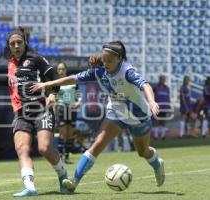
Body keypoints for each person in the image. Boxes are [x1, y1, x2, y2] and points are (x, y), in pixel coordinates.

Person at [31, 40, 165, 192]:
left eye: (110, 60)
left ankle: (157, 164)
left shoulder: (127, 71)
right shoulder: (98, 71)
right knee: (97, 145)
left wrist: (152, 101)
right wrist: (47, 84)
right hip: (116, 113)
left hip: (138, 116)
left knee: (143, 152)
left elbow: (145, 85)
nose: (106, 63)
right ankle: (73, 182)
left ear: (119, 58)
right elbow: (73, 78)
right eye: (104, 59)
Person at [0, 27, 70, 196]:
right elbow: (10, 82)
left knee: (44, 148)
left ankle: (63, 176)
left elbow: (54, 76)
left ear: (25, 43)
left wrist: (53, 94)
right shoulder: (11, 63)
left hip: (41, 109)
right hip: (21, 112)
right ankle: (30, 187)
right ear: (8, 46)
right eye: (12, 43)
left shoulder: (36, 59)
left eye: (19, 42)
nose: (16, 46)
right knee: (22, 149)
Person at [56, 62, 81, 164]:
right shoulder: (55, 82)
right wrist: (56, 103)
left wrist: (78, 102)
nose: (61, 71)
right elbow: (52, 96)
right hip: (62, 109)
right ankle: (60, 158)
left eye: (62, 69)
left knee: (70, 134)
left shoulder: (72, 81)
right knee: (63, 133)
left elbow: (77, 94)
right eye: (59, 69)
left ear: (66, 70)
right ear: (57, 71)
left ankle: (66, 157)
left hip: (72, 109)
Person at [153, 75, 171, 140]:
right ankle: (156, 136)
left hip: (164, 107)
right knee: (156, 121)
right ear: (159, 79)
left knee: (163, 121)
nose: (163, 80)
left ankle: (163, 136)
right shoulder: (155, 87)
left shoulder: (167, 88)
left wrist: (169, 108)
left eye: (164, 79)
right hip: (157, 107)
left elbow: (168, 98)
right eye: (162, 79)